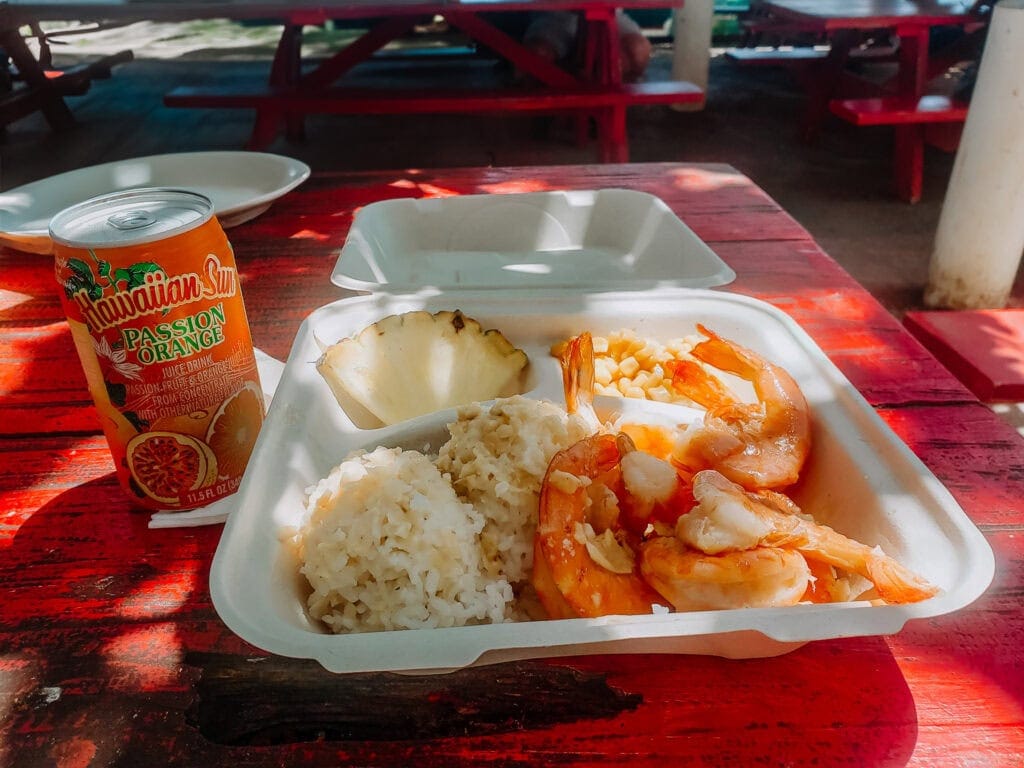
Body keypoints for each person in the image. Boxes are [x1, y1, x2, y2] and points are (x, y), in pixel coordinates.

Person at [522, 10, 652, 82]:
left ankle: (612, 110)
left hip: (607, 13)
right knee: (536, 57)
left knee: (638, 52)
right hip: (556, 14)